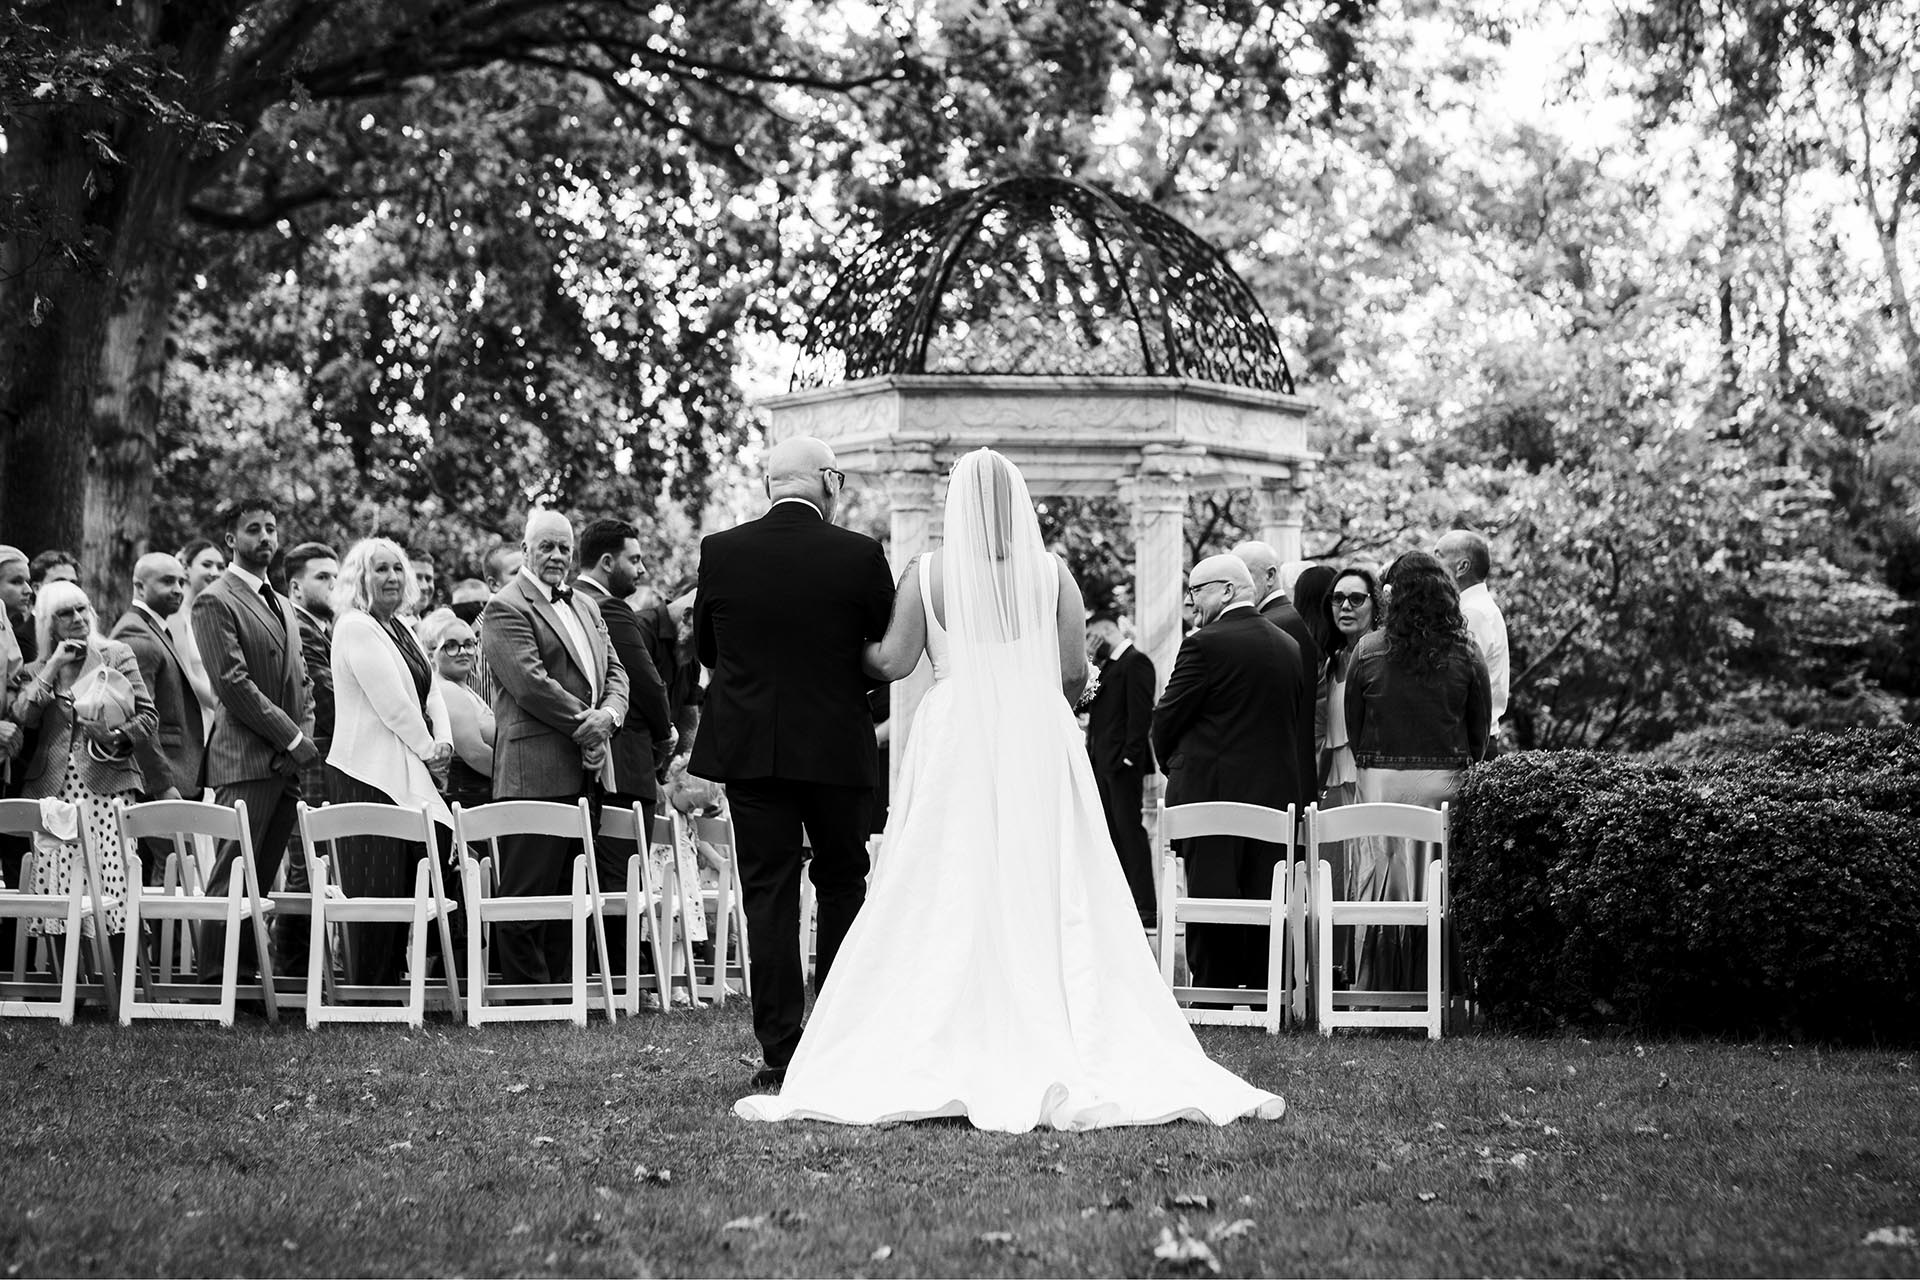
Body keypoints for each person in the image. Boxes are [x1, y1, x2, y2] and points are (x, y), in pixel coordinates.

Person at [737, 449, 1284, 1131]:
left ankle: (940, 1017)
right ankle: (1053, 1007)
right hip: (1035, 733)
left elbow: (892, 661)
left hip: (956, 732)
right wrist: (1027, 700)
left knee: (945, 870)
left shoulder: (927, 574)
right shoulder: (1053, 574)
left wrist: (835, 646)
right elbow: (1072, 670)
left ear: (955, 504)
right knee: (1045, 873)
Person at [690, 436, 894, 1090]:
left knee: (768, 893)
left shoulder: (722, 552)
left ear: (770, 485)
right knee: (841, 884)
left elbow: (710, 651)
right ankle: (833, 1038)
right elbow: (881, 650)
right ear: (830, 482)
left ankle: (780, 1049)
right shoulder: (860, 555)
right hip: (836, 747)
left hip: (753, 750)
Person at [1151, 554, 1316, 1001]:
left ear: (1225, 590)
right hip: (1272, 797)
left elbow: (1165, 719)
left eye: (1196, 591)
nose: (1191, 603)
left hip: (1211, 796)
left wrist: (1176, 767)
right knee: (1265, 897)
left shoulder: (1204, 644)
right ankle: (1264, 991)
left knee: (1212, 897)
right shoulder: (1289, 645)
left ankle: (1214, 993)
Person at [479, 509, 629, 990]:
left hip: (590, 768)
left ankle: (564, 992)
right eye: (546, 546)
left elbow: (617, 674)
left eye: (564, 547)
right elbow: (529, 684)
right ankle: (527, 995)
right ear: (525, 551)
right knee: (526, 893)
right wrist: (588, 727)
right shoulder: (505, 606)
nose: (557, 556)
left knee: (572, 890)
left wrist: (609, 718)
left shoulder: (586, 606)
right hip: (534, 769)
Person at [1345, 550, 1491, 990]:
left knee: (1383, 881)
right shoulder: (1466, 651)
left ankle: (1380, 982)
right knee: (1440, 885)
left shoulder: (1368, 650)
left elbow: (1356, 728)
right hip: (1445, 788)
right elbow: (1478, 732)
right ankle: (1441, 984)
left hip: (1381, 787)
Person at [191, 498, 316, 984]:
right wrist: (289, 738)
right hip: (244, 759)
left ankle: (243, 980)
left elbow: (301, 680)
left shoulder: (282, 602)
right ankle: (213, 985)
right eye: (253, 530)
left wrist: (301, 740)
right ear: (230, 541)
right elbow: (233, 684)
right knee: (232, 876)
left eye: (271, 528)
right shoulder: (215, 600)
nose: (265, 537)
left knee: (259, 882)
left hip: (286, 762)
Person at [9, 580, 157, 972]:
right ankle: (67, 982)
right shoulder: (36, 670)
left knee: (113, 879)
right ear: (48, 623)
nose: (77, 618)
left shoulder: (116, 653)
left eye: (82, 609)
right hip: (54, 790)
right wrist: (53, 665)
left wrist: (113, 736)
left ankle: (118, 978)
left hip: (107, 785)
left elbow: (148, 716)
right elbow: (24, 716)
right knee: (57, 883)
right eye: (65, 613)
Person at [326, 538, 453, 986]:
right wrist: (429, 752)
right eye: (380, 570)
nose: (393, 578)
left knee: (401, 880)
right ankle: (367, 986)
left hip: (408, 768)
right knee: (373, 884)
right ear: (360, 578)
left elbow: (432, 690)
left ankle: (394, 979)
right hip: (366, 774)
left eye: (398, 569)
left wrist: (444, 743)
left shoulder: (402, 627)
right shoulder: (355, 626)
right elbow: (393, 705)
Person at [574, 517, 676, 978]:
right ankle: (620, 971)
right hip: (626, 761)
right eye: (634, 559)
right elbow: (647, 682)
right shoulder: (610, 609)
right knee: (622, 870)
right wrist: (666, 731)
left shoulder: (571, 604)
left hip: (586, 762)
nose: (641, 569)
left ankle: (606, 966)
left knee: (599, 866)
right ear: (608, 561)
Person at [109, 553, 205, 808]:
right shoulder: (136, 633)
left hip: (176, 772)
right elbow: (139, 717)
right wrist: (161, 784)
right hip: (160, 781)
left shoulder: (154, 627)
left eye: (181, 582)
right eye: (167, 582)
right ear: (139, 586)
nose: (177, 590)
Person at [1083, 609, 1156, 928]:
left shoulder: (1136, 662)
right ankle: (1124, 900)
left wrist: (1128, 758)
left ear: (1106, 630)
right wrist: (1086, 659)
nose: (1089, 642)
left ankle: (1145, 904)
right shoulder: (1106, 667)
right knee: (1111, 833)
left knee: (1130, 832)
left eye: (1091, 635)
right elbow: (1083, 703)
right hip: (1101, 763)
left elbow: (1141, 716)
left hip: (1122, 766)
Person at [1434, 529, 1510, 747]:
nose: (1430, 564)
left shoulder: (1473, 613)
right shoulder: (1468, 608)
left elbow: (1455, 680)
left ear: (1462, 567)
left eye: (1438, 555)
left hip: (1470, 741)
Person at [418, 609, 494, 812]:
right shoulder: (446, 689)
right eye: (450, 646)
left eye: (469, 644)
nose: (463, 652)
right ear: (431, 653)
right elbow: (474, 753)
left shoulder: (462, 687)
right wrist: (522, 779)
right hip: (471, 801)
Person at [1320, 565, 1381, 810]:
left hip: (1375, 782)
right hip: (1337, 786)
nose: (1345, 607)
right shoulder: (1332, 661)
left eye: (1356, 599)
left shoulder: (1382, 657)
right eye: (1338, 598)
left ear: (1375, 604)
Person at [283, 542, 338, 807]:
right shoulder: (299, 628)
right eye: (323, 577)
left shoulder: (323, 630)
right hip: (315, 767)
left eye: (337, 577)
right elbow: (328, 701)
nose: (334, 584)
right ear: (295, 588)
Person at [1233, 539, 1321, 679]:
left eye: (1243, 575)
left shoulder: (1269, 624)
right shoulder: (1286, 617)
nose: (1234, 586)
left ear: (1270, 576)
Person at [172, 537, 226, 737]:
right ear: (185, 569)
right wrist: (228, 710)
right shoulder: (176, 616)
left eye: (220, 567)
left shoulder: (216, 617)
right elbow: (186, 679)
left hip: (219, 722)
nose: (215, 572)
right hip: (197, 722)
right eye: (207, 564)